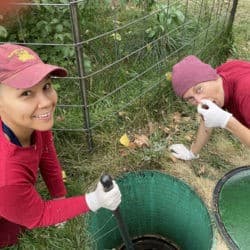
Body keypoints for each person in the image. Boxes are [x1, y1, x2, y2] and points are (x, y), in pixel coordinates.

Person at [0, 43, 121, 248]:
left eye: (46, 86)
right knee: (11, 234)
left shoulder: (33, 121)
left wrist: (59, 197)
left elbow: (46, 152)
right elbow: (38, 215)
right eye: (26, 94)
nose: (46, 102)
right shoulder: (5, 177)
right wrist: (94, 200)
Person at [169, 55, 250, 160]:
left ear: (210, 76)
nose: (200, 100)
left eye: (199, 89)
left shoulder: (245, 93)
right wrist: (192, 153)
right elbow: (207, 122)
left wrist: (227, 122)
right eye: (191, 98)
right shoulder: (220, 79)